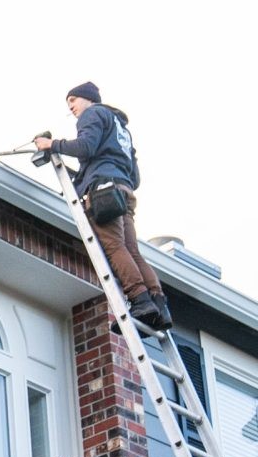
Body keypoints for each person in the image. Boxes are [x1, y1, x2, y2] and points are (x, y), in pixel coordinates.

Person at [32, 83, 171, 332]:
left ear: (88, 99)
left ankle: (140, 300)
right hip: (124, 191)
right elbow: (134, 176)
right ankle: (158, 304)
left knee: (114, 246)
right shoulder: (122, 129)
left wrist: (52, 145)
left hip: (104, 191)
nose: (71, 107)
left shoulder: (93, 114)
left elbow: (85, 147)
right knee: (132, 250)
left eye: (73, 100)